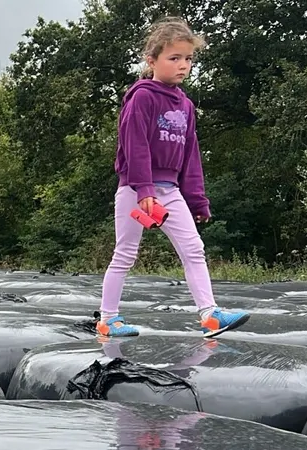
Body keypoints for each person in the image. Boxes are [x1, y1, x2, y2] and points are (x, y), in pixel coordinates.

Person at [97, 17, 249, 339]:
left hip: (170, 190)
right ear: (152, 60)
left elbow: (190, 155)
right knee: (125, 253)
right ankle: (108, 319)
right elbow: (134, 145)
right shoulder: (142, 97)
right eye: (174, 58)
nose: (183, 65)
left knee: (194, 248)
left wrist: (197, 198)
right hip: (136, 189)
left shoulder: (187, 106)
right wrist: (144, 189)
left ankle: (210, 315)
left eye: (189, 59)